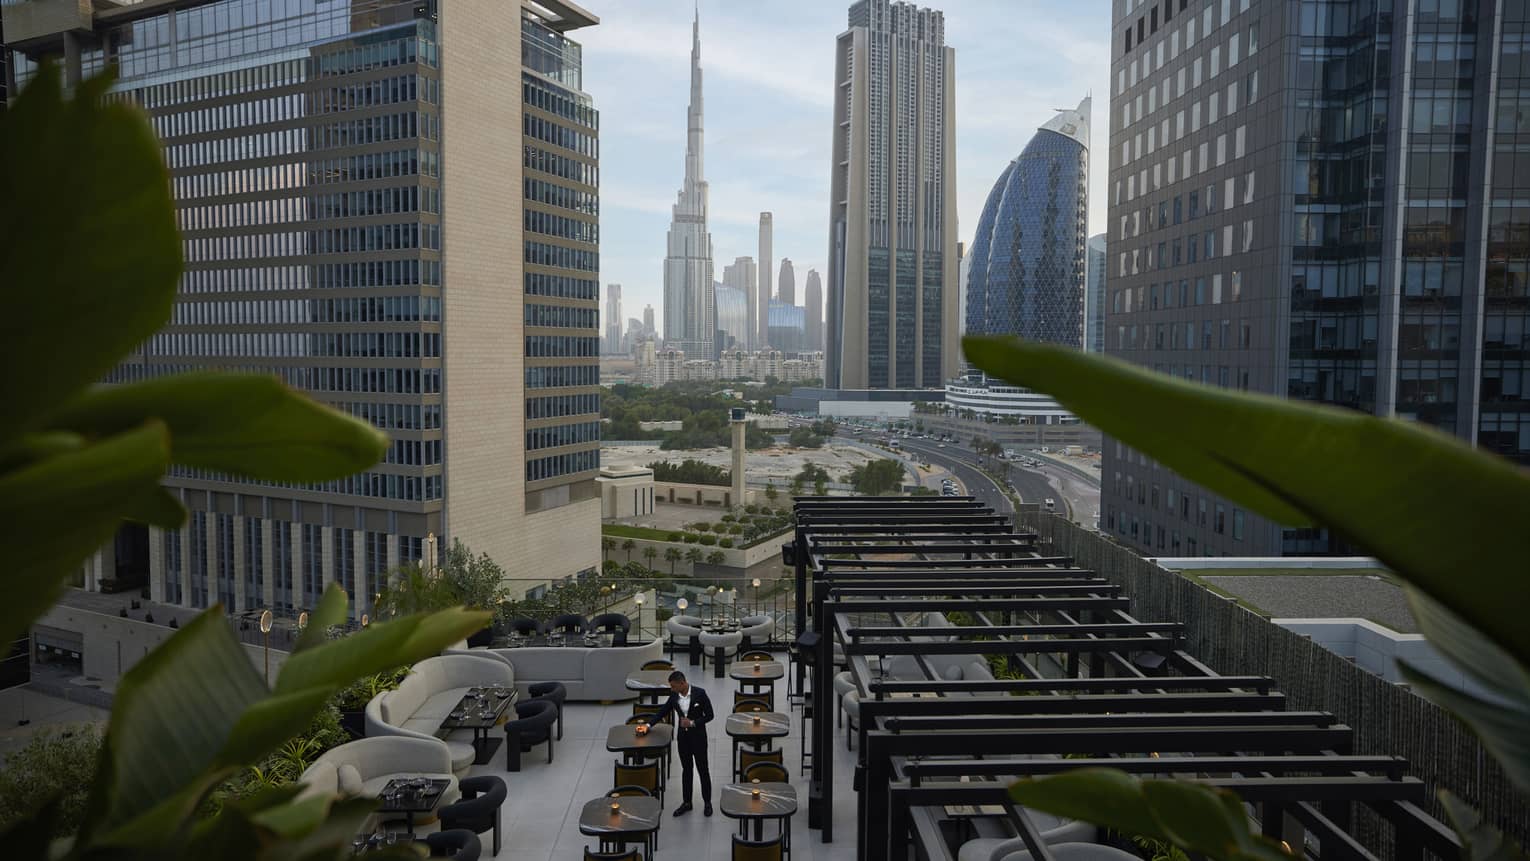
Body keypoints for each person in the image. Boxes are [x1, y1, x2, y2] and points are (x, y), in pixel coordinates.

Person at [648, 669, 714, 816]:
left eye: (673, 686)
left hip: (698, 738)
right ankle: (687, 802)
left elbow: (710, 715)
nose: (671, 689)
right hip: (683, 739)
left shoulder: (700, 693)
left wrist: (693, 723)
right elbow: (662, 711)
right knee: (686, 770)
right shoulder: (674, 695)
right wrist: (648, 725)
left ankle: (707, 803)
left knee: (703, 770)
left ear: (682, 683)